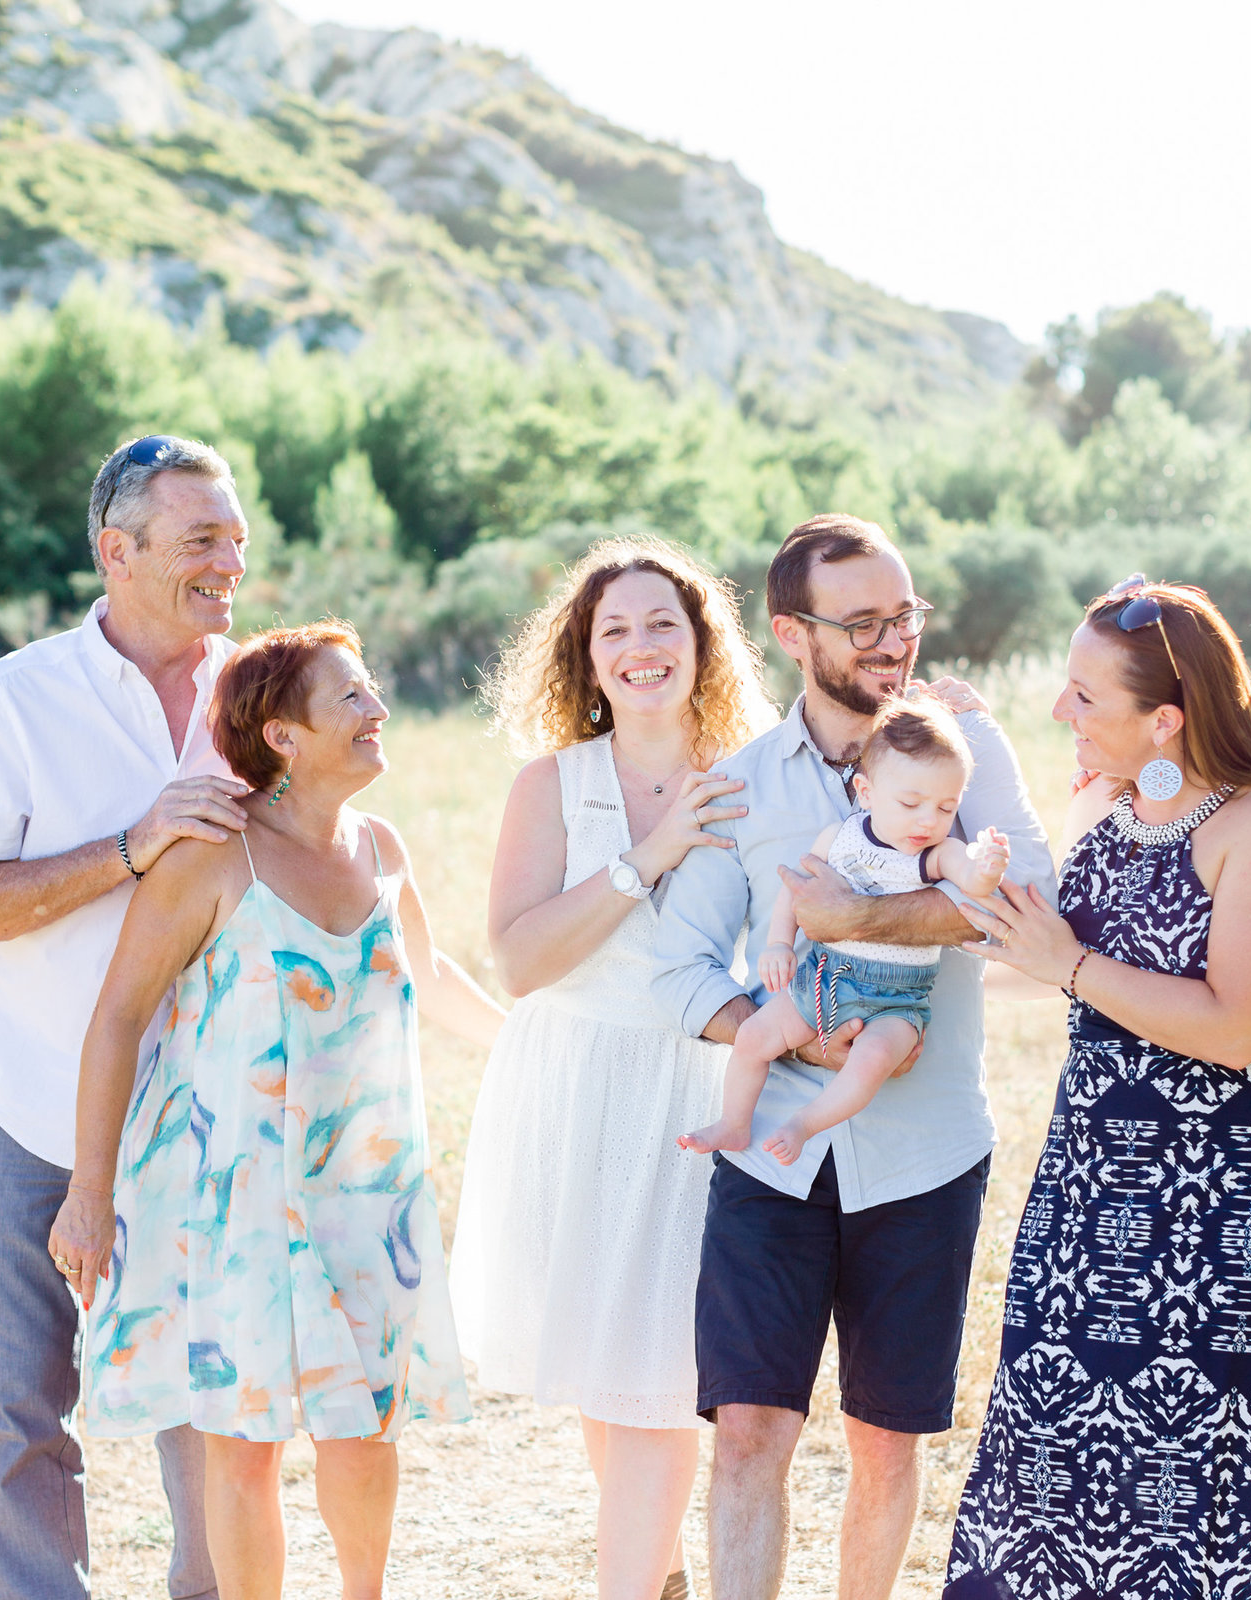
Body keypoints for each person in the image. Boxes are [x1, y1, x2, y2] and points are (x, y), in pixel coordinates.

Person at [49, 619, 503, 1600]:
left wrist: (539, 1049)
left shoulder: (383, 848)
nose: (377, 709)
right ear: (284, 736)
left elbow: (433, 977)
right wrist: (90, 1193)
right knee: (243, 1443)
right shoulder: (214, 857)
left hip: (370, 1193)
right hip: (241, 1200)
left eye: (370, 689)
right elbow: (120, 1016)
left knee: (364, 1427)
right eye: (351, 696)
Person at [650, 513, 1052, 1600]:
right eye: (862, 622)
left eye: (904, 616)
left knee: (885, 1440)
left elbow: (1034, 906)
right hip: (770, 1158)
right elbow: (681, 968)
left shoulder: (972, 750)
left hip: (925, 1154)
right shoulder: (740, 782)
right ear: (792, 631)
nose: (892, 642)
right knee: (747, 1431)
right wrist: (786, 1028)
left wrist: (862, 920)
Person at [943, 576, 1251, 1597]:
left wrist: (1068, 966)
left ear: (1166, 717)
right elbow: (1024, 919)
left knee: (1207, 1476)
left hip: (1229, 1201)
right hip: (1095, 1187)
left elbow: (1240, 1026)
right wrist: (973, 748)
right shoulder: (1111, 802)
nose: (1060, 713)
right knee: (1062, 1459)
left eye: (1084, 696)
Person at [0, 434, 255, 1600]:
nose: (231, 562)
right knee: (24, 1416)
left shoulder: (261, 695)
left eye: (238, 538)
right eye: (201, 539)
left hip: (210, 1118)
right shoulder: (13, 700)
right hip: (26, 1103)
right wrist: (128, 848)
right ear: (117, 550)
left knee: (209, 1404)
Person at [450, 537, 775, 1600]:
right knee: (607, 1376)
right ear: (587, 661)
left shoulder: (755, 774)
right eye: (615, 631)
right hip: (571, 1092)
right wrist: (649, 855)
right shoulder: (552, 785)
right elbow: (524, 957)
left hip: (695, 1094)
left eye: (663, 624)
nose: (642, 648)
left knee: (658, 1384)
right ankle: (664, 1574)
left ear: (702, 643)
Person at [680, 695, 1011, 1165]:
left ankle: (803, 1123)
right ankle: (734, 1123)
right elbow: (797, 891)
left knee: (871, 1061)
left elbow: (972, 878)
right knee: (756, 1035)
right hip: (824, 978)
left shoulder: (934, 854)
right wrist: (779, 945)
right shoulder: (839, 838)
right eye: (911, 802)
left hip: (897, 1001)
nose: (927, 820)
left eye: (945, 807)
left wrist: (988, 865)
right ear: (866, 791)